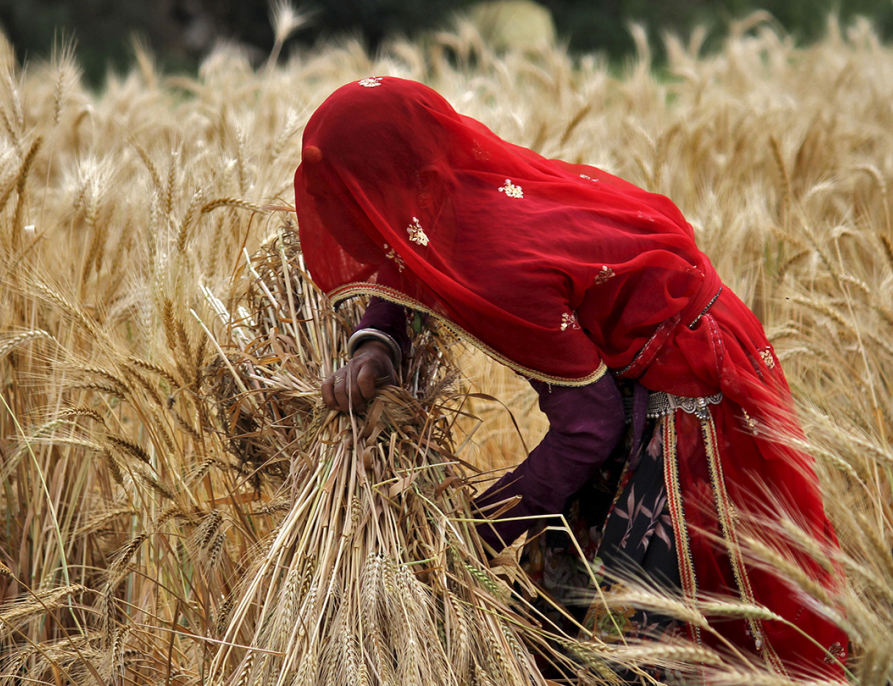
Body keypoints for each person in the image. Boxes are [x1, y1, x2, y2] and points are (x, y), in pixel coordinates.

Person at [295, 76, 848, 679]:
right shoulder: (453, 189)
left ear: (419, 183)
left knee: (653, 642)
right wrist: (376, 345)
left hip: (691, 397)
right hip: (635, 385)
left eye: (359, 202)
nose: (355, 221)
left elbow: (589, 426)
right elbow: (410, 255)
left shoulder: (501, 268)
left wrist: (472, 531)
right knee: (563, 619)